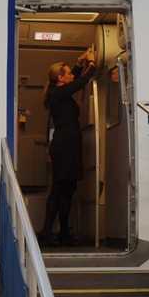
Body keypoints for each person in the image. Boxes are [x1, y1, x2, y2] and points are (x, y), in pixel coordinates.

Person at [40, 48, 98, 245]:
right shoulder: (58, 93)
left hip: (68, 144)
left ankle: (63, 232)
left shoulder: (59, 91)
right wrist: (91, 64)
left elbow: (73, 78)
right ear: (60, 78)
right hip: (65, 145)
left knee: (68, 189)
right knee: (59, 189)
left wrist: (79, 62)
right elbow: (80, 82)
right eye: (68, 73)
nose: (72, 74)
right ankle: (47, 232)